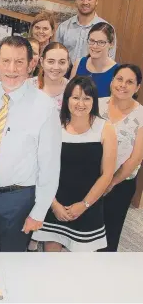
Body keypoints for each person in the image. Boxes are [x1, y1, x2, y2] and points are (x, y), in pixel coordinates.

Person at [0, 36, 62, 252]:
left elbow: (49, 165)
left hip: (18, 199)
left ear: (31, 64)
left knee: (12, 263)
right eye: (6, 61)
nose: (12, 69)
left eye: (19, 62)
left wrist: (38, 212)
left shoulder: (44, 107)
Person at [32, 76, 117, 252]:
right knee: (51, 261)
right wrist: (53, 204)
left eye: (87, 98)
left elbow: (107, 174)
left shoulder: (105, 128)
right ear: (67, 99)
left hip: (88, 204)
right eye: (75, 97)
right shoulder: (54, 126)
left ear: (94, 101)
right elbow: (42, 169)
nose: (81, 103)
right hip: (55, 202)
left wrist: (84, 205)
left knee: (80, 267)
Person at [99, 64, 143, 252]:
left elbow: (135, 158)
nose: (123, 85)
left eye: (130, 82)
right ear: (112, 81)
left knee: (110, 234)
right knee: (84, 232)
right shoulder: (97, 104)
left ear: (137, 87)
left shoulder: (141, 115)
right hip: (91, 180)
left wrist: (111, 182)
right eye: (119, 79)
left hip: (119, 185)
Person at [56, 0, 116, 64]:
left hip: (92, 75)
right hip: (65, 74)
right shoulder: (63, 27)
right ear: (76, 0)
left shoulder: (107, 29)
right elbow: (55, 54)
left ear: (97, 1)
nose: (85, 2)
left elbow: (110, 60)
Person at [70, 22, 118, 98]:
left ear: (111, 44)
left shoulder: (117, 72)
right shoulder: (79, 63)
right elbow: (69, 95)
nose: (95, 46)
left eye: (101, 42)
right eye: (92, 41)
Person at [29, 42, 70, 111]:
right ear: (42, 62)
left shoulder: (73, 89)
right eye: (51, 62)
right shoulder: (28, 85)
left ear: (68, 63)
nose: (56, 67)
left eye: (62, 62)